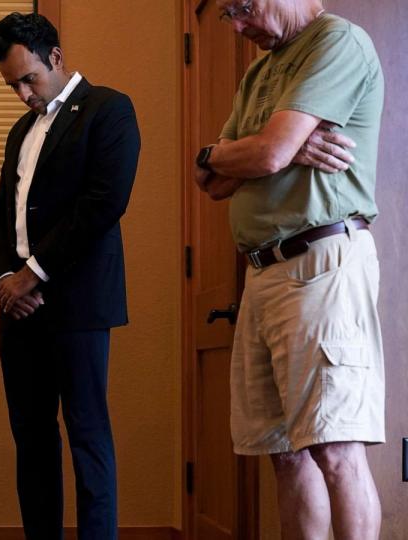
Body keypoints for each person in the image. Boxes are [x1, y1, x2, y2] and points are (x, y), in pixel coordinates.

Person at [194, 1, 386, 537]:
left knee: (336, 448)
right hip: (263, 273)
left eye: (243, 7)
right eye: (228, 15)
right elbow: (207, 178)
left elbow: (269, 155)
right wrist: (232, 152)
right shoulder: (260, 69)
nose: (236, 26)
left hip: (320, 265)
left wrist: (268, 149)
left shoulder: (337, 42)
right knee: (284, 452)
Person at [0, 12, 140, 539]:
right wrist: (7, 281)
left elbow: (103, 204)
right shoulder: (20, 132)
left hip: (77, 305)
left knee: (87, 435)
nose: (23, 93)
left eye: (29, 78)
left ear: (55, 56)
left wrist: (34, 274)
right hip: (19, 310)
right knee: (31, 440)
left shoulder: (108, 109)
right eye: (12, 85)